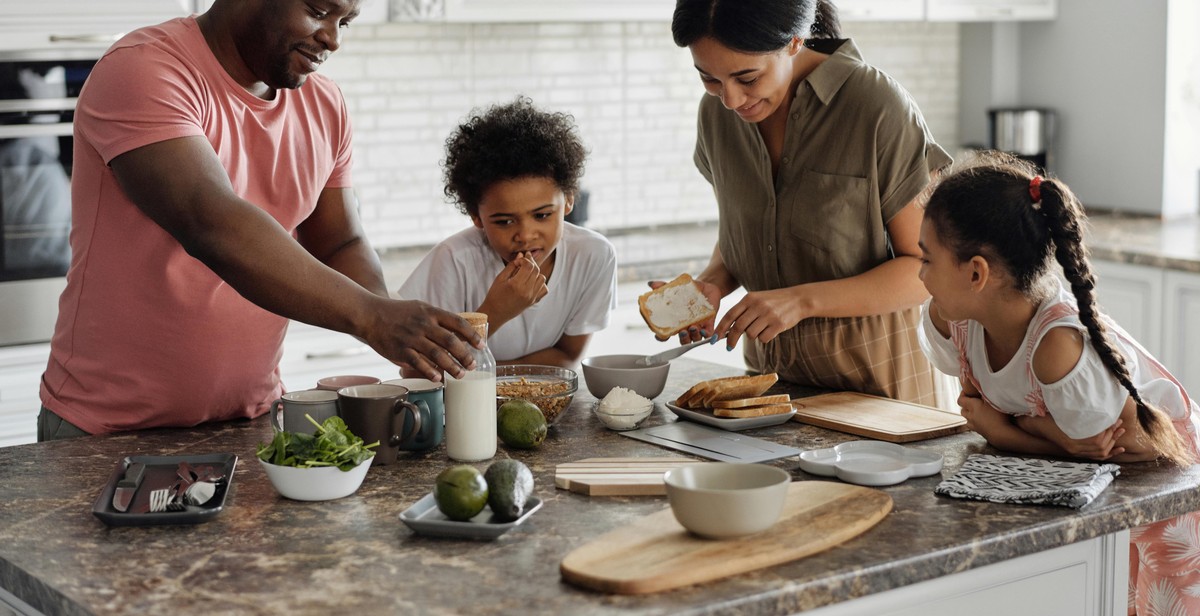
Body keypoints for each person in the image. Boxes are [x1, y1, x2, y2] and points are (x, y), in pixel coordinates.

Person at [37, 0, 482, 441]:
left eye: (344, 21)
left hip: (250, 419)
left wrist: (395, 326)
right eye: (317, 10)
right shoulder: (144, 69)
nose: (333, 38)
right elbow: (209, 223)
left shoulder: (323, 104)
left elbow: (339, 241)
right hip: (108, 428)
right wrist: (371, 318)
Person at [916, 152, 1200, 614]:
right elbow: (1077, 445)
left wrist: (1006, 431)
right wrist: (1054, 436)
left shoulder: (1056, 347)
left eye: (927, 260)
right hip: (1091, 490)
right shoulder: (956, 320)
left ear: (975, 273)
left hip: (1162, 489)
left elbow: (1120, 448)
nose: (919, 274)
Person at [665, 0, 951, 405]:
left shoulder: (876, 106)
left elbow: (925, 268)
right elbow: (750, 232)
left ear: (795, 41)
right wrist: (712, 284)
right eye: (709, 79)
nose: (730, 99)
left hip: (882, 393)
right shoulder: (716, 116)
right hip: (772, 390)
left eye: (747, 77)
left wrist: (801, 301)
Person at [398, 97, 617, 367]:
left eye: (542, 215)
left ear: (569, 199)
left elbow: (567, 356)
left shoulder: (594, 255)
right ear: (476, 216)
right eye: (504, 221)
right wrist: (495, 312)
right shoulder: (454, 261)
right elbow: (415, 371)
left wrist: (487, 375)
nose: (525, 235)